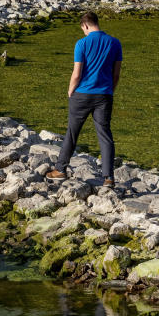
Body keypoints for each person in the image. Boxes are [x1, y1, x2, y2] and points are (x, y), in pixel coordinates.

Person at [46, 11, 122, 187]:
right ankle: (108, 177)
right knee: (105, 135)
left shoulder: (81, 44)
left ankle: (60, 170)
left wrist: (70, 91)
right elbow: (116, 74)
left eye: (83, 29)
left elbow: (76, 74)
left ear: (85, 25)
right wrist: (110, 90)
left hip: (82, 94)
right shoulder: (115, 43)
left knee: (72, 133)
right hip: (104, 95)